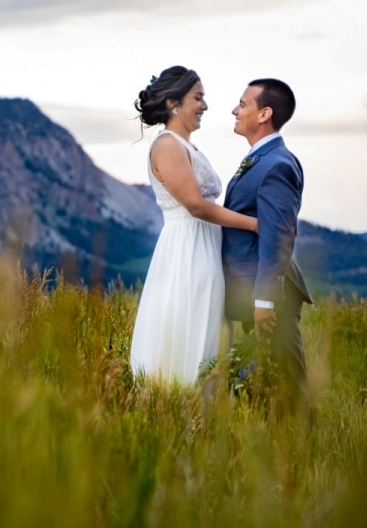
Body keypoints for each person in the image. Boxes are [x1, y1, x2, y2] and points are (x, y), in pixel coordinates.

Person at [130, 66, 258, 384]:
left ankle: (203, 403)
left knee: (206, 324)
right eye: (198, 97)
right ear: (174, 103)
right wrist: (256, 225)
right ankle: (180, 400)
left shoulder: (185, 146)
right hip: (187, 249)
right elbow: (197, 205)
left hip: (205, 246)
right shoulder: (168, 145)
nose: (204, 105)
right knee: (191, 319)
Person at [222, 78, 313, 412]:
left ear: (265, 114)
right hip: (253, 293)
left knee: (289, 388)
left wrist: (265, 301)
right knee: (262, 388)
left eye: (243, 103)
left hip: (270, 298)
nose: (235, 109)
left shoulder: (277, 164)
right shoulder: (263, 159)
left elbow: (278, 237)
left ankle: (308, 453)